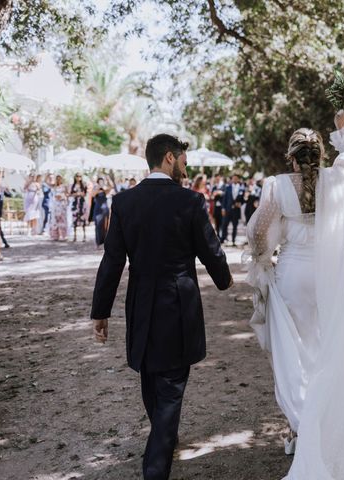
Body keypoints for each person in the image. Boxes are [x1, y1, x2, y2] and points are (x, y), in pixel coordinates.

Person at [245, 111, 344, 479]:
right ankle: (324, 427)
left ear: (292, 158)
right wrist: (342, 127)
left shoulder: (277, 185)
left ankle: (302, 427)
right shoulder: (335, 179)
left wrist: (263, 259)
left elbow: (259, 230)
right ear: (319, 156)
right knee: (327, 349)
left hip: (293, 276)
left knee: (294, 355)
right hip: (328, 278)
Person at [90, 133, 233, 480]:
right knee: (169, 390)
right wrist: (224, 279)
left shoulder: (125, 203)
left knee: (152, 379)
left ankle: (164, 437)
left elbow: (112, 262)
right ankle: (157, 464)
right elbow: (210, 250)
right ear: (169, 158)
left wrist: (101, 311)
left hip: (140, 304)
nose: (187, 166)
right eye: (183, 159)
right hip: (178, 306)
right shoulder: (191, 202)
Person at [220, 173, 244, 246]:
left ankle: (233, 240)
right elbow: (224, 199)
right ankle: (224, 239)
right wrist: (223, 208)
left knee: (235, 226)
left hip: (236, 210)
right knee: (224, 225)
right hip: (228, 209)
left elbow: (243, 199)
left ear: (238, 179)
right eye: (233, 178)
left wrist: (240, 203)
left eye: (236, 178)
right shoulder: (228, 187)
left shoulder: (241, 188)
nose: (235, 179)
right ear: (232, 179)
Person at [92, 176, 114, 248]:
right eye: (100, 181)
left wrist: (108, 179)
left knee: (105, 226)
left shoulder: (105, 189)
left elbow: (111, 187)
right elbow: (93, 194)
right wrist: (99, 187)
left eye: (102, 181)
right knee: (98, 226)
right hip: (98, 209)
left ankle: (105, 243)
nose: (101, 182)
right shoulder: (96, 188)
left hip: (105, 209)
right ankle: (97, 243)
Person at [48, 175, 70, 241]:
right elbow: (52, 194)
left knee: (62, 219)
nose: (59, 180)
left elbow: (67, 194)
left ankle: (64, 235)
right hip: (55, 204)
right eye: (57, 179)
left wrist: (63, 196)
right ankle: (55, 235)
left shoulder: (64, 186)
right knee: (55, 219)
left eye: (60, 179)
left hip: (62, 203)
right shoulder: (54, 187)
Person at [70, 173, 88, 242]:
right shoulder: (73, 185)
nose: (78, 178)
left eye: (80, 176)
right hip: (75, 204)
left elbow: (85, 194)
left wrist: (79, 194)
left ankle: (84, 236)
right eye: (77, 176)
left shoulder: (83, 185)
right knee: (74, 219)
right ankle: (75, 236)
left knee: (83, 219)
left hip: (81, 203)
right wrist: (77, 194)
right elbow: (71, 194)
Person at [0, 173, 12, 249]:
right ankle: (4, 241)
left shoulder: (1, 190)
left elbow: (9, 195)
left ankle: (4, 241)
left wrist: (7, 189)